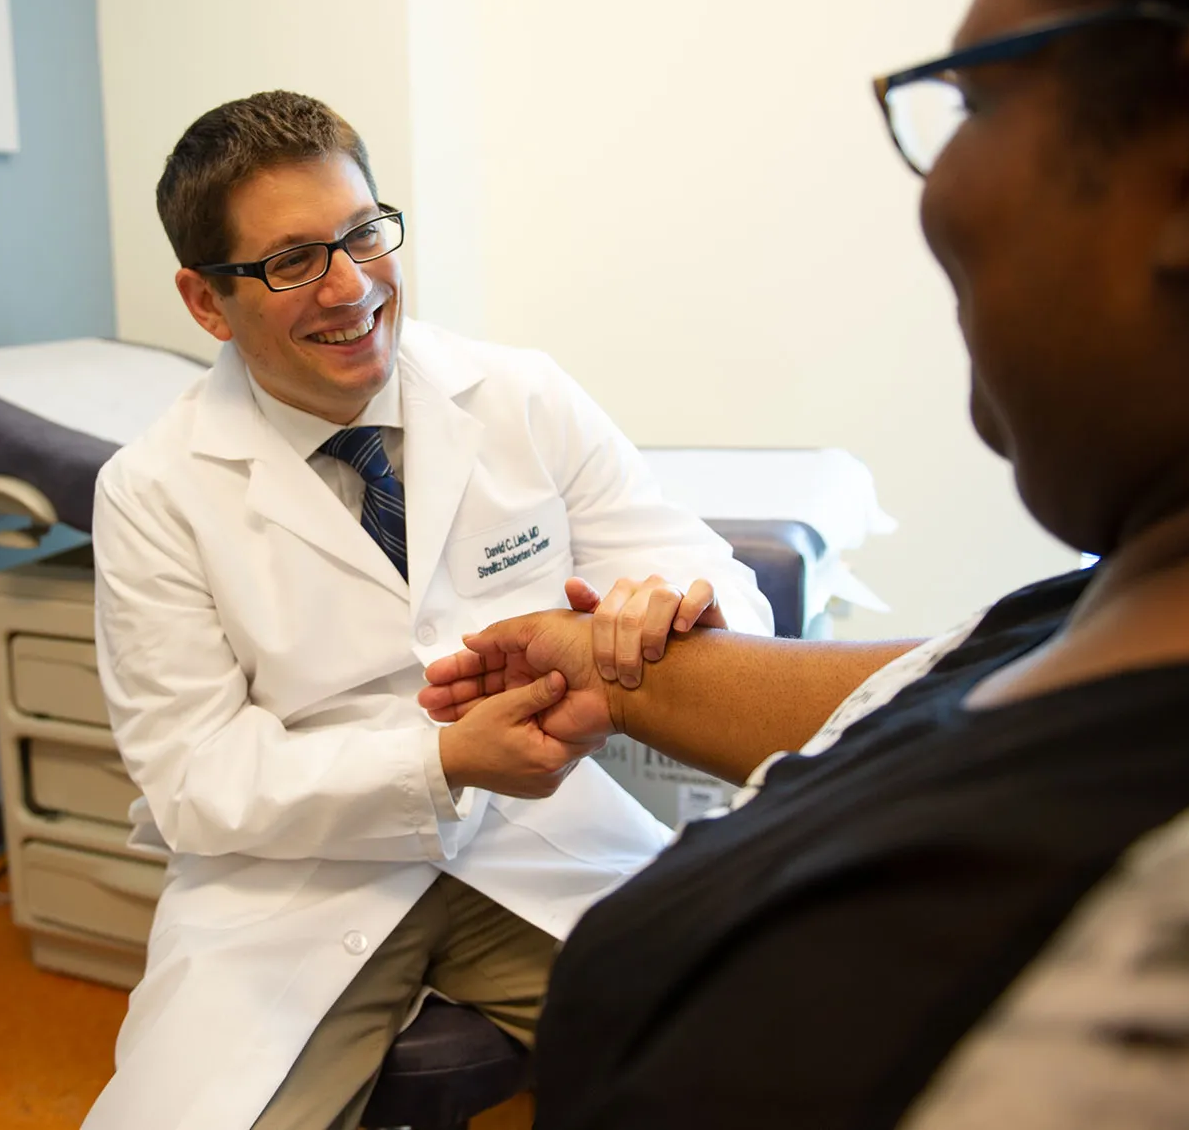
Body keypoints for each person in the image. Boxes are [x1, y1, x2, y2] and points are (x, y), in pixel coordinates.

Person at [418, 0, 1189, 1125]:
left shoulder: (1122, 996)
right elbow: (938, 690)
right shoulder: (1142, 590)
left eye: (966, 103)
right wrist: (604, 663)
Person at [82, 91, 774, 1130]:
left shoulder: (519, 396)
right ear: (202, 300)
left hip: (535, 836)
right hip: (297, 876)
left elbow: (698, 568)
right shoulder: (153, 490)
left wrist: (666, 603)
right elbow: (193, 779)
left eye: (362, 234)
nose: (352, 286)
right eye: (291, 261)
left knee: (772, 1054)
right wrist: (440, 763)